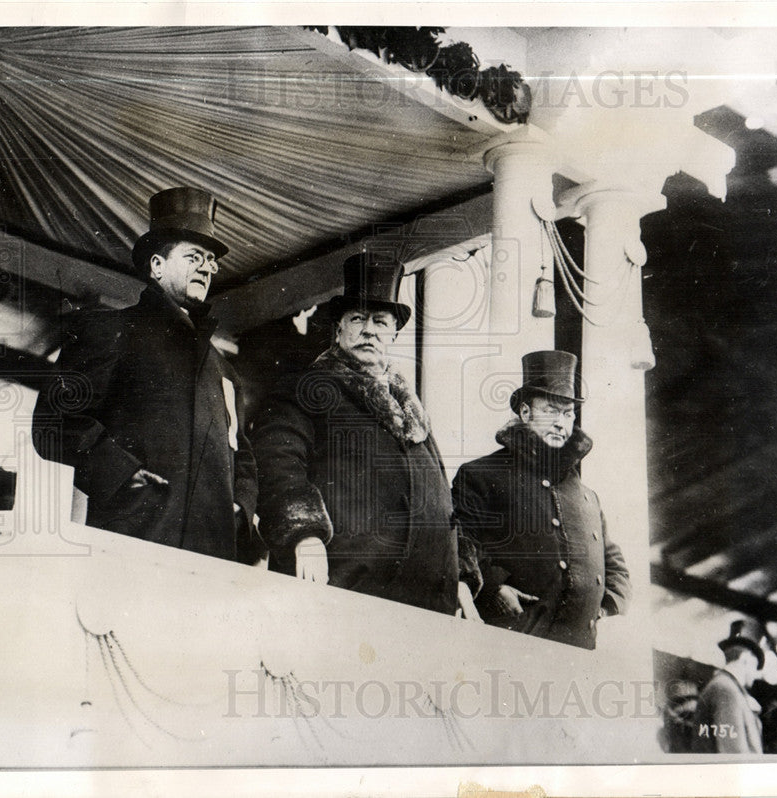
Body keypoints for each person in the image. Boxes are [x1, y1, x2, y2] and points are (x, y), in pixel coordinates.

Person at [32, 187, 258, 562]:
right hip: (136, 543)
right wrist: (124, 475)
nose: (206, 267)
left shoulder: (224, 370)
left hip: (214, 559)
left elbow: (244, 457)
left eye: (210, 260)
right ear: (157, 266)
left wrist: (240, 509)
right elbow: (54, 422)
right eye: (193, 256)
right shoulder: (110, 331)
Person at [250, 252, 480, 617]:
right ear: (338, 329)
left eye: (380, 320)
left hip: (426, 604)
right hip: (345, 590)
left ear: (393, 333)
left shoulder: (413, 413)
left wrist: (461, 578)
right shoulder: (307, 388)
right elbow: (278, 460)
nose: (369, 329)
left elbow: (444, 504)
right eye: (357, 318)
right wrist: (304, 532)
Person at [451, 350, 631, 649]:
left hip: (579, 649)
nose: (562, 423)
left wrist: (605, 607)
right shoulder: (481, 474)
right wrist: (493, 588)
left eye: (568, 413)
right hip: (511, 641)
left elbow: (615, 564)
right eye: (551, 410)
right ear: (525, 413)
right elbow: (460, 541)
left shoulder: (587, 496)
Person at [691, 618, 766, 753]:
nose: (756, 675)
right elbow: (733, 756)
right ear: (745, 659)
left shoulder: (724, 687)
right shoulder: (726, 690)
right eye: (755, 667)